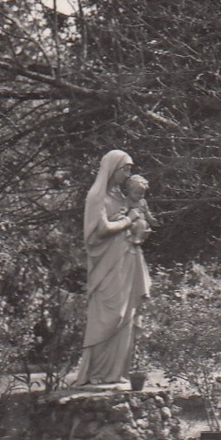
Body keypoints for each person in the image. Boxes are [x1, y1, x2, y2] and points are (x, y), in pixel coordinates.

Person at [68, 150, 151, 386]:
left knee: (126, 315)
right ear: (112, 168)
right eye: (125, 169)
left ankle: (116, 372)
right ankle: (96, 372)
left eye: (129, 169)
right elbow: (101, 230)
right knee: (110, 315)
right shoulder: (96, 195)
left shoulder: (120, 195)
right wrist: (130, 219)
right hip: (106, 266)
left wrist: (137, 225)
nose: (128, 174)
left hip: (126, 259)